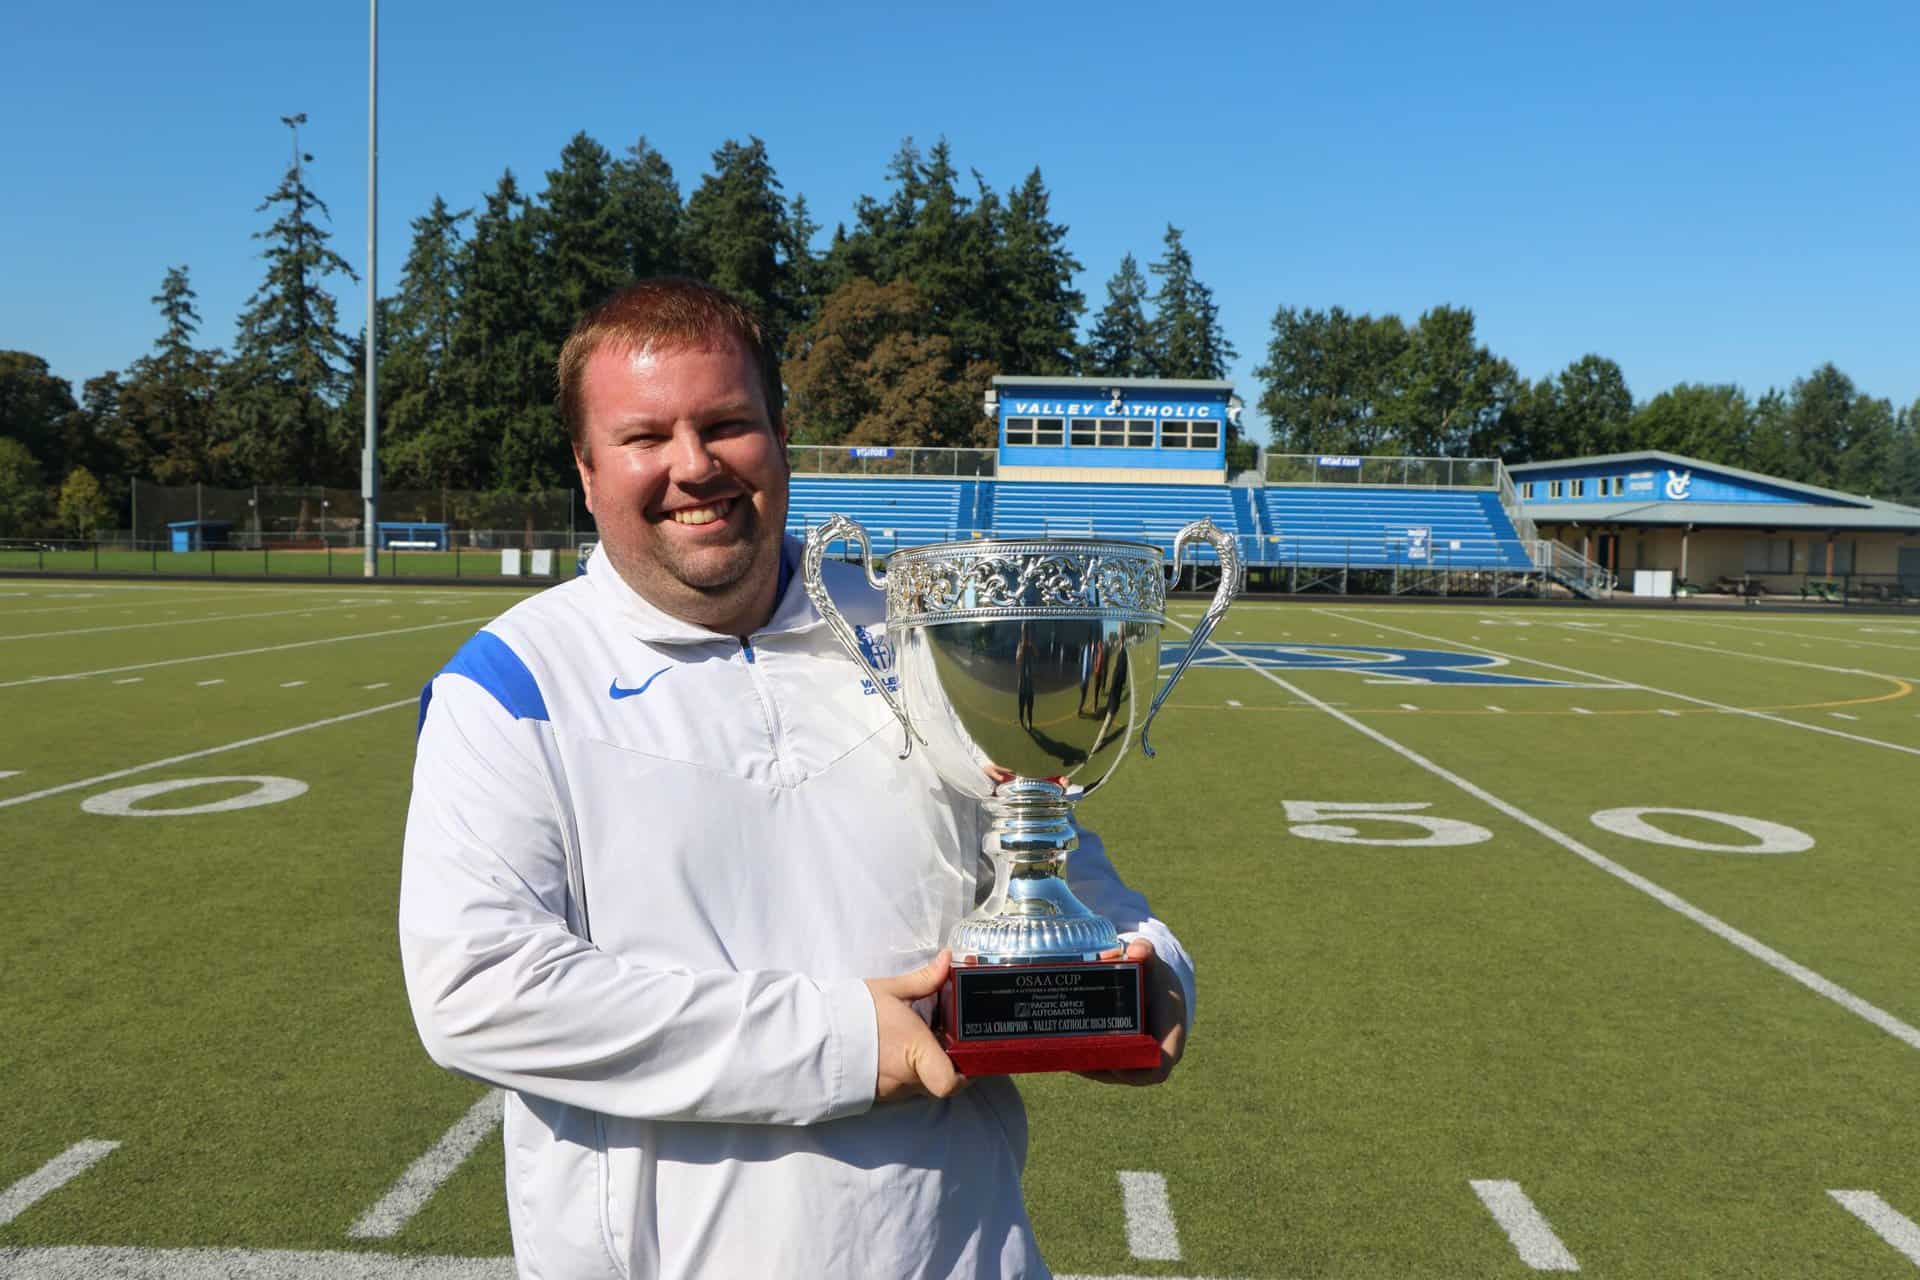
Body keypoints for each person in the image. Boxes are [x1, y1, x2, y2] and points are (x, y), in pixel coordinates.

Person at [400, 278, 1194, 1279]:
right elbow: (478, 988)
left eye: (728, 423)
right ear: (587, 464)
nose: (695, 466)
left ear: (780, 436)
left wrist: (1148, 976)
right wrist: (835, 1037)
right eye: (647, 435)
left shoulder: (914, 626)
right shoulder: (513, 684)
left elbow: (1049, 861)